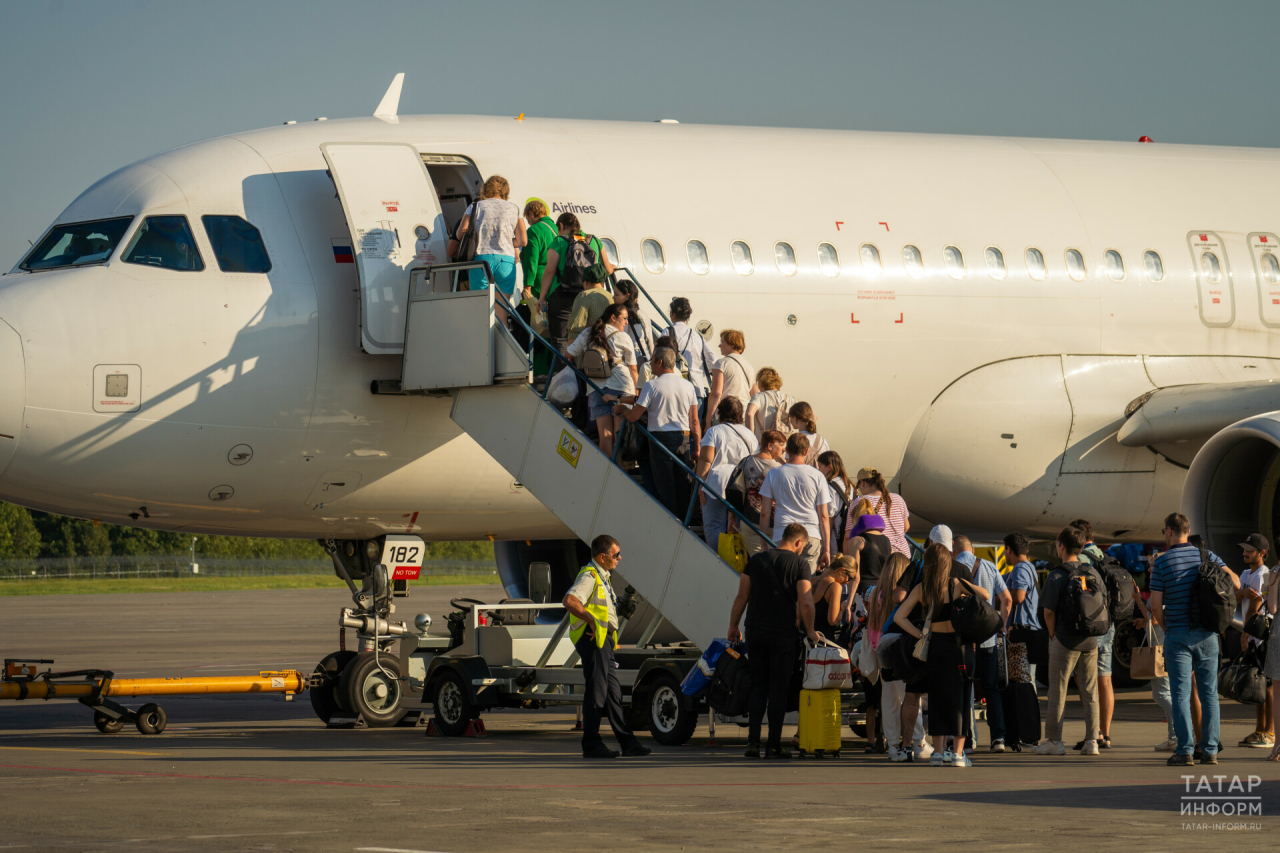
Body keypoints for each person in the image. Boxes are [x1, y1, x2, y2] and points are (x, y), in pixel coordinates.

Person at [1150, 512, 1239, 766]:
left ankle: (1185, 750)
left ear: (1168, 531)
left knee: (1180, 693)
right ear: (1187, 531)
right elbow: (1234, 581)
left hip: (1177, 634)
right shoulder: (1206, 555)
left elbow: (1156, 607)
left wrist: (1169, 627)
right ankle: (1210, 750)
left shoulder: (1162, 563)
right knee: (1209, 693)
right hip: (1208, 634)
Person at [727, 522, 821, 759]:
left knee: (759, 685)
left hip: (755, 631)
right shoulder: (799, 564)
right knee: (778, 689)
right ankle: (774, 746)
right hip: (783, 634)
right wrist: (810, 630)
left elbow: (741, 597)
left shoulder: (756, 561)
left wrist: (733, 626)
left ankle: (752, 743)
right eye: (803, 546)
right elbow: (806, 602)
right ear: (798, 542)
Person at [894, 541, 991, 767]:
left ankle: (937, 752)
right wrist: (965, 584)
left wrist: (919, 634)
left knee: (936, 698)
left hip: (934, 646)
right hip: (957, 647)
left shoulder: (922, 588)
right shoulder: (955, 584)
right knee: (959, 699)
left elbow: (900, 617)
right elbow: (984, 595)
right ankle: (957, 753)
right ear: (948, 563)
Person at [562, 535, 650, 758]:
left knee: (612, 695)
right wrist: (591, 620)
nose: (620, 558)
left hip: (604, 641)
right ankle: (591, 745)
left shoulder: (603, 577)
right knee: (597, 692)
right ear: (602, 557)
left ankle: (628, 743)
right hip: (593, 641)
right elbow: (570, 601)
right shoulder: (590, 576)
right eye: (616, 554)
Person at [1034, 526, 1104, 757]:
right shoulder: (1092, 572)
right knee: (1090, 692)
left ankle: (1054, 740)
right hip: (1091, 640)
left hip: (1065, 640)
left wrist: (1054, 636)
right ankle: (1092, 740)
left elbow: (1048, 612)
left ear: (1062, 546)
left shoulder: (1057, 574)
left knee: (1058, 691)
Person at [615, 347, 699, 516]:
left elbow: (634, 416)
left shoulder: (651, 385)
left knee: (664, 484)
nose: (650, 364)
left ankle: (670, 521)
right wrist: (697, 446)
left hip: (660, 439)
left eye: (652, 361)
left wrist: (622, 408)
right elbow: (695, 421)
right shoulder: (688, 385)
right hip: (683, 438)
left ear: (660, 362)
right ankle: (684, 522)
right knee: (682, 483)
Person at [954, 534, 1013, 753]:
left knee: (965, 690)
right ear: (973, 550)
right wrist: (1002, 626)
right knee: (991, 689)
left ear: (954, 551)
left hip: (964, 643)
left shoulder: (955, 568)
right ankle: (998, 738)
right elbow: (1007, 599)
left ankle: (967, 741)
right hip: (988, 639)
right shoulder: (989, 566)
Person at [868, 552, 925, 761]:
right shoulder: (906, 593)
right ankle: (918, 741)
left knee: (889, 700)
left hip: (881, 650)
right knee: (911, 697)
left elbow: (872, 625)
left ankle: (893, 746)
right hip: (901, 649)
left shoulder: (876, 594)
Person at [567, 304, 637, 458]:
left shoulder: (588, 333)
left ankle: (608, 475)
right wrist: (637, 394)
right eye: (624, 318)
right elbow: (633, 369)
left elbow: (569, 353)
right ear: (613, 317)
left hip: (595, 388)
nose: (626, 322)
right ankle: (620, 473)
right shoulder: (623, 337)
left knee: (605, 438)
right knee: (620, 437)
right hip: (621, 386)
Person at [1069, 519, 1115, 750]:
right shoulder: (1107, 556)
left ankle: (1093, 732)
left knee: (1085, 681)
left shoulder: (1082, 560)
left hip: (1090, 626)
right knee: (1105, 680)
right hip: (1109, 624)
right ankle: (1105, 735)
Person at [540, 213, 615, 352]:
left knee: (562, 338)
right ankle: (589, 369)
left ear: (561, 226)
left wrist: (542, 297)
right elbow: (608, 269)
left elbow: (550, 271)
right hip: (591, 294)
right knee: (592, 335)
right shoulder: (594, 241)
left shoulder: (559, 241)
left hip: (562, 295)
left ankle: (565, 370)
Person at [759, 434, 831, 573]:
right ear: (806, 451)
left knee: (782, 583)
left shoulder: (774, 474)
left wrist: (763, 544)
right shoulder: (818, 476)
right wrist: (826, 549)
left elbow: (765, 513)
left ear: (787, 449)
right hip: (810, 535)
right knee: (805, 584)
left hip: (783, 534)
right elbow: (823, 516)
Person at [458, 176, 527, 305]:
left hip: (481, 260)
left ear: (486, 189)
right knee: (502, 311)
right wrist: (505, 241)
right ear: (505, 191)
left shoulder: (475, 206)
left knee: (481, 309)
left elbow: (460, 233)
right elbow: (523, 241)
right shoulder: (514, 208)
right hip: (506, 261)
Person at [1236, 534, 1274, 750]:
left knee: (1267, 685)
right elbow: (1237, 597)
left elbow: (1257, 604)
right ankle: (1259, 729)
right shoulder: (1245, 573)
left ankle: (1270, 731)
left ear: (1261, 553)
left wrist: (1245, 633)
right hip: (1252, 635)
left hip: (1261, 635)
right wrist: (1241, 592)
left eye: (1249, 549)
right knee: (1257, 684)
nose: (1245, 552)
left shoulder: (1263, 574)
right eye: (1244, 548)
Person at [727, 429, 785, 557]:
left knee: (759, 563)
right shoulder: (779, 469)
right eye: (780, 445)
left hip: (750, 523)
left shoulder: (746, 462)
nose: (783, 449)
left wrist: (731, 518)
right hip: (773, 525)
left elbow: (735, 489)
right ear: (769, 446)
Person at [1002, 532, 1043, 686]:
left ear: (1008, 549)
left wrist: (1004, 597)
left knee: (1022, 679)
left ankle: (1027, 709)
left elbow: (1018, 597)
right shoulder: (1029, 567)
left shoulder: (1020, 568)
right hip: (1030, 631)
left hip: (1022, 633)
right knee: (1026, 678)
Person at [666, 297, 717, 415]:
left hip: (675, 389)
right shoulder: (697, 336)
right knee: (695, 426)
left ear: (671, 313)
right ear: (687, 316)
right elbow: (713, 362)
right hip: (696, 389)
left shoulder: (668, 332)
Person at [848, 468, 911, 556]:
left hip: (878, 556)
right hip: (903, 555)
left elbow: (848, 535)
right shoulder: (898, 499)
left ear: (862, 483)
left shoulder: (859, 503)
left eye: (858, 486)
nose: (859, 490)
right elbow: (906, 526)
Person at [704, 330, 757, 431]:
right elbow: (755, 394)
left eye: (722, 341)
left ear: (732, 344)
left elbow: (716, 394)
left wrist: (708, 421)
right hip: (743, 416)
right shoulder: (749, 366)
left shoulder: (721, 364)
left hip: (724, 415)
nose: (720, 345)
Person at [695, 398, 758, 480]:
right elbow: (755, 459)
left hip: (716, 484)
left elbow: (706, 460)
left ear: (720, 412)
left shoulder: (713, 432)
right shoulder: (750, 434)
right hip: (742, 484)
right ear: (740, 413)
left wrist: (700, 486)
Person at [613, 279, 654, 385]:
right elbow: (650, 341)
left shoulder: (623, 316)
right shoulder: (643, 314)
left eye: (616, 294)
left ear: (627, 296)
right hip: (645, 357)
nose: (613, 297)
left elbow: (622, 340)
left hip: (631, 360)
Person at [518, 200, 557, 304]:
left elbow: (531, 260)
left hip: (541, 282)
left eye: (527, 218)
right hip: (557, 281)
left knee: (539, 317)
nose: (528, 222)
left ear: (531, 214)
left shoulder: (533, 231)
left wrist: (527, 286)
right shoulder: (557, 228)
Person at [816, 451, 853, 561]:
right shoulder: (850, 484)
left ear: (829, 467)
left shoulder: (829, 486)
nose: (819, 470)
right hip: (848, 537)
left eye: (820, 466)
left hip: (834, 541)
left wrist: (825, 547)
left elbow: (828, 517)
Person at [811, 556, 857, 640]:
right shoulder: (835, 587)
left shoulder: (812, 580)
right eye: (849, 578)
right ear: (841, 570)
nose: (847, 582)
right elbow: (832, 620)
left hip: (807, 637)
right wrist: (842, 610)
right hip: (822, 641)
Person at [745, 367, 796, 443]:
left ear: (761, 382)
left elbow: (749, 413)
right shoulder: (790, 400)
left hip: (762, 445)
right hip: (784, 446)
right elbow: (811, 416)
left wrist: (750, 438)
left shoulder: (759, 397)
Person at [846, 513, 892, 596]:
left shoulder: (857, 540)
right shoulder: (887, 541)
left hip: (863, 592)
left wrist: (849, 602)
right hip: (881, 593)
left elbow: (855, 577)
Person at [565, 272, 613, 342]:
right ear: (602, 282)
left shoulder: (584, 295)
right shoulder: (611, 296)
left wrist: (572, 349)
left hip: (593, 345)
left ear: (586, 282)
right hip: (610, 342)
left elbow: (576, 326)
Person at [1264, 571, 1280, 761]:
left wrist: (1272, 586)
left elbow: (1273, 608)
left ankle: (1278, 746)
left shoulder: (1275, 571)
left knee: (1278, 693)